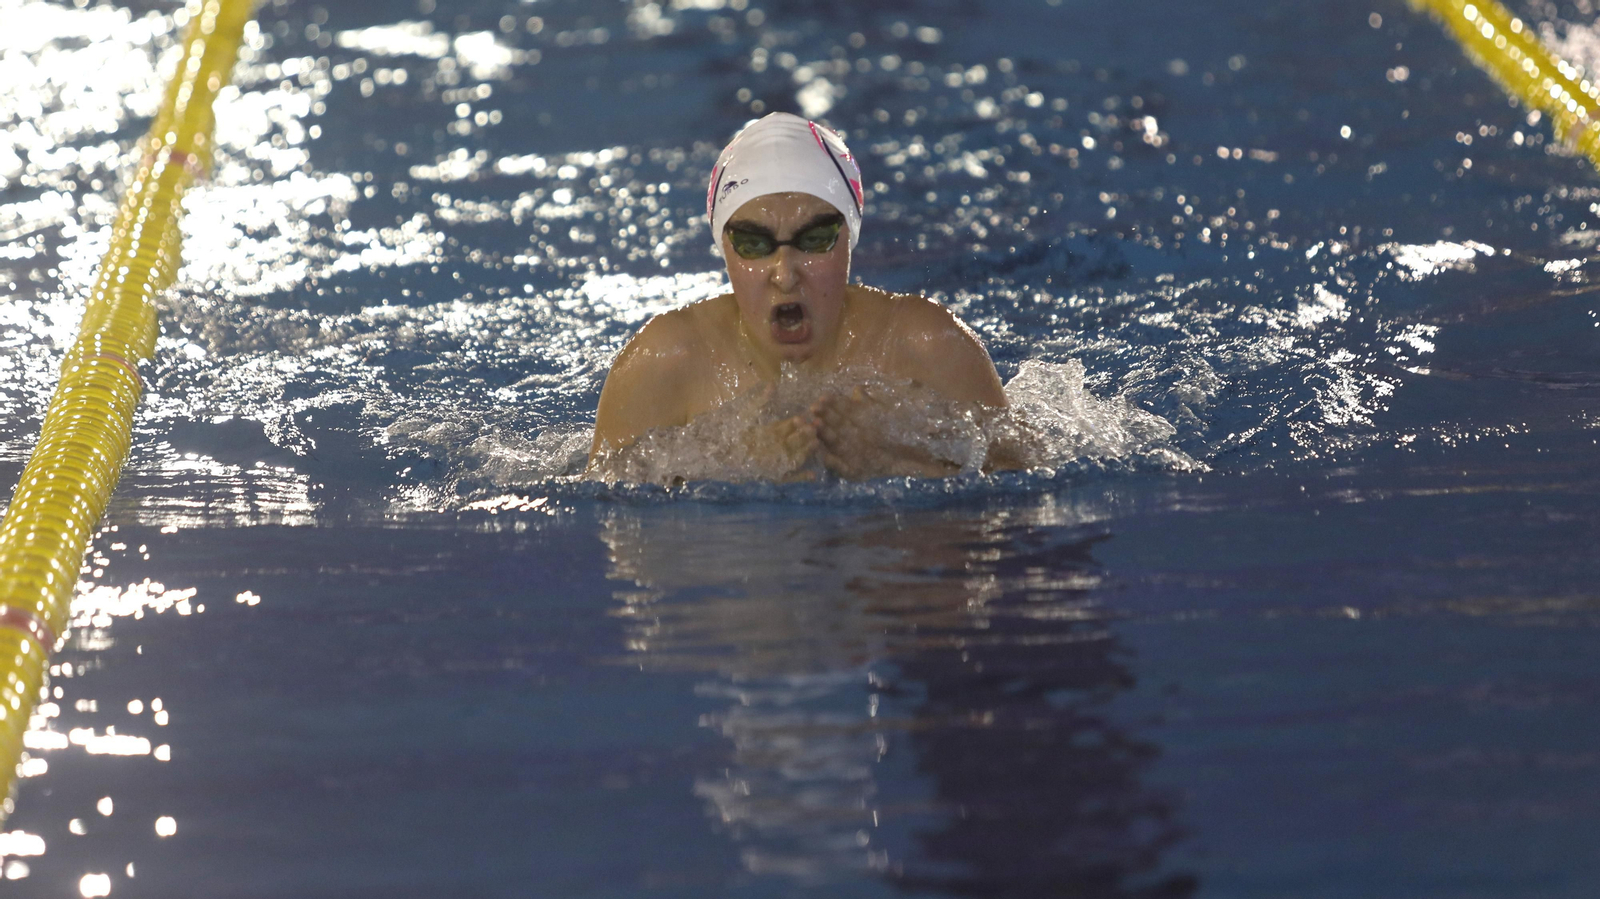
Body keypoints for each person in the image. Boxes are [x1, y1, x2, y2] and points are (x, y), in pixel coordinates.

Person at [586, 112, 1022, 482]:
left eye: (813, 239)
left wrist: (894, 462)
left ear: (848, 238)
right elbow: (604, 515)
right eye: (755, 245)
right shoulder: (665, 362)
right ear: (725, 250)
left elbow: (1025, 491)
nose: (784, 274)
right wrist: (727, 469)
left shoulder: (925, 345)